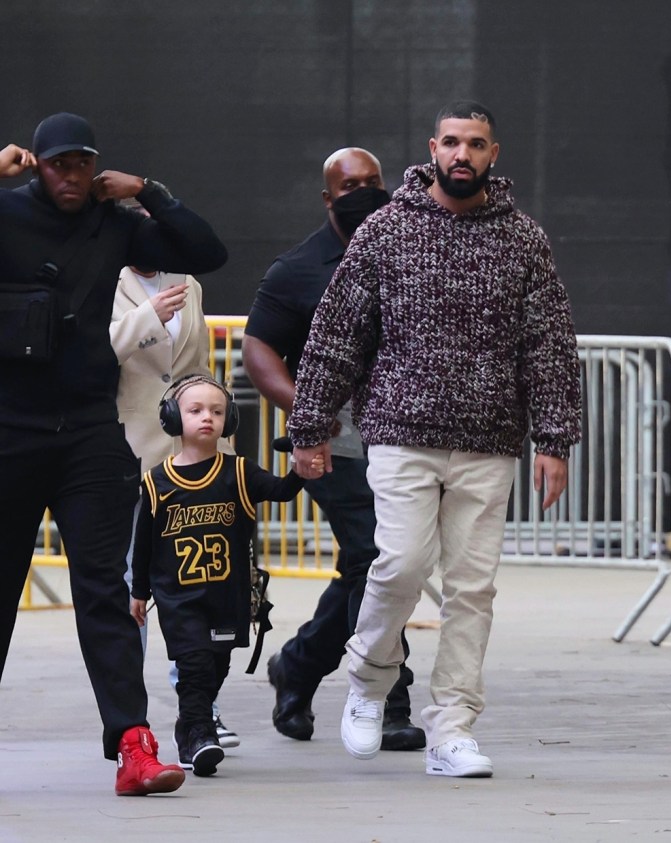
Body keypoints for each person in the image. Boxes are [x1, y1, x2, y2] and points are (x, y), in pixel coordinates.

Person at [287, 101, 582, 778]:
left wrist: (556, 438)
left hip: (489, 440)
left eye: (475, 144)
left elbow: (550, 344)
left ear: (493, 154)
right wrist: (310, 426)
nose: (462, 154)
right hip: (400, 432)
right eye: (452, 141)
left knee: (473, 588)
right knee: (399, 565)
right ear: (432, 147)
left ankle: (453, 727)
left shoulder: (523, 239)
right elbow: (337, 335)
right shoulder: (385, 231)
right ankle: (367, 679)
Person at [0, 113, 227, 795]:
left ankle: (134, 743)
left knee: (105, 589)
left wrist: (148, 190)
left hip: (92, 433)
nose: (70, 177)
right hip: (10, 428)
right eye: (57, 164)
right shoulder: (6, 213)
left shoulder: (115, 221)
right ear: (37, 164)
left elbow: (205, 250)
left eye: (81, 164)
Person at [242, 147, 425, 751]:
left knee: (374, 564)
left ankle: (298, 665)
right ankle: (390, 699)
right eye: (351, 185)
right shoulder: (297, 268)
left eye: (374, 182)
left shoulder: (413, 246)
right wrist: (308, 413)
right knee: (381, 556)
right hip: (334, 441)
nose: (365, 191)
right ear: (328, 197)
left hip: (406, 435)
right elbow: (259, 352)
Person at [130, 374, 323, 776]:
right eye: (195, 410)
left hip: (226, 594)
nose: (207, 418)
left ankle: (188, 729)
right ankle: (201, 734)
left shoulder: (239, 472)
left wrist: (300, 468)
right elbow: (145, 544)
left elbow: (282, 491)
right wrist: (138, 592)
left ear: (229, 419)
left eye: (217, 411)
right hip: (178, 598)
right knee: (195, 663)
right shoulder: (156, 482)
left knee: (216, 666)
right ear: (171, 418)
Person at [111, 247, 239, 749]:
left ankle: (200, 707)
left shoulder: (188, 280)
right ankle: (129, 716)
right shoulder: (108, 277)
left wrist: (219, 437)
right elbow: (102, 349)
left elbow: (196, 365)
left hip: (191, 452)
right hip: (128, 448)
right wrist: (149, 316)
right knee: (132, 584)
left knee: (202, 578)